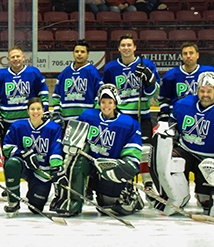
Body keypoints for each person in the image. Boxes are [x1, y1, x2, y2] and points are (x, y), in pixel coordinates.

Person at [151, 71, 214, 217]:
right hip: (186, 151)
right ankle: (176, 197)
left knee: (206, 202)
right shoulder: (183, 104)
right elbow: (172, 127)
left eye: (209, 91)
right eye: (202, 91)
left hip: (210, 159)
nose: (205, 95)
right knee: (171, 160)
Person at [50, 84, 144, 217]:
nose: (106, 105)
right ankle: (73, 202)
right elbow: (71, 141)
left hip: (108, 169)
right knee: (77, 158)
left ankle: (129, 194)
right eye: (103, 102)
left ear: (116, 103)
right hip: (90, 164)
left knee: (106, 205)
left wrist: (121, 167)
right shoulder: (88, 116)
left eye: (110, 102)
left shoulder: (128, 124)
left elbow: (133, 155)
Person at [1, 97, 63, 215]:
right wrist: (23, 154)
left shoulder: (54, 128)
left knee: (36, 208)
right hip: (24, 166)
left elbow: (56, 148)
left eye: (38, 109)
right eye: (32, 109)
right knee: (11, 163)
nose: (35, 112)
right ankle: (13, 202)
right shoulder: (18, 126)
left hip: (42, 171)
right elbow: (7, 147)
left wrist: (55, 167)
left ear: (43, 110)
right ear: (28, 111)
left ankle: (36, 195)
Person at [102, 34, 159, 140]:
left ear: (134, 47)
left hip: (142, 117)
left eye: (129, 45)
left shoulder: (146, 65)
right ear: (119, 48)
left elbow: (153, 93)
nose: (126, 48)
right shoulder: (110, 68)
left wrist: (150, 83)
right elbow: (107, 94)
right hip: (119, 117)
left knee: (144, 151)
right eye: (123, 45)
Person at [0, 45, 50, 137]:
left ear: (23, 58)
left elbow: (42, 92)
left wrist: (45, 109)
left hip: (29, 120)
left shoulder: (33, 73)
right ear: (8, 59)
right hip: (7, 121)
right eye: (13, 57)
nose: (15, 59)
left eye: (18, 56)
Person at [51, 40, 103, 124]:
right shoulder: (64, 73)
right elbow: (56, 95)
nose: (79, 54)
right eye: (77, 51)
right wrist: (56, 113)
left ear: (88, 54)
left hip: (87, 120)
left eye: (82, 52)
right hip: (66, 119)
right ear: (73, 53)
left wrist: (95, 113)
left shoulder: (93, 72)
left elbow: (99, 95)